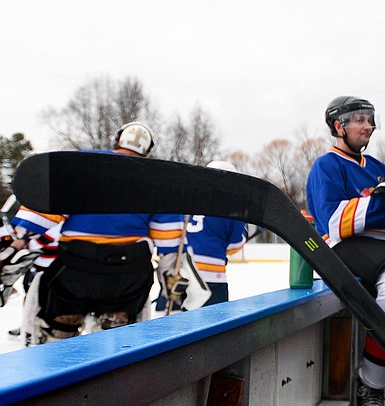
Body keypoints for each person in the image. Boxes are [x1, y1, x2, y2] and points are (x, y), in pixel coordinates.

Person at [304, 96, 385, 406]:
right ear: (339, 126)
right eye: (359, 119)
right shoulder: (327, 166)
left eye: (371, 119)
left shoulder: (379, 167)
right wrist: (382, 200)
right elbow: (332, 222)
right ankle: (372, 384)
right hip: (348, 249)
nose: (368, 125)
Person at [10, 121, 185, 341]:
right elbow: (168, 240)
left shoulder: (85, 164)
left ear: (117, 139)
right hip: (128, 273)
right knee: (117, 340)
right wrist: (170, 278)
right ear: (148, 150)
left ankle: (59, 350)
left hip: (76, 269)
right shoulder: (157, 178)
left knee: (60, 332)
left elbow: (38, 216)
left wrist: (15, 242)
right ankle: (115, 357)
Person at [152, 160, 249, 313]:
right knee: (213, 331)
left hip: (177, 277)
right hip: (211, 280)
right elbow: (235, 247)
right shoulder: (229, 207)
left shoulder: (184, 199)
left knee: (171, 328)